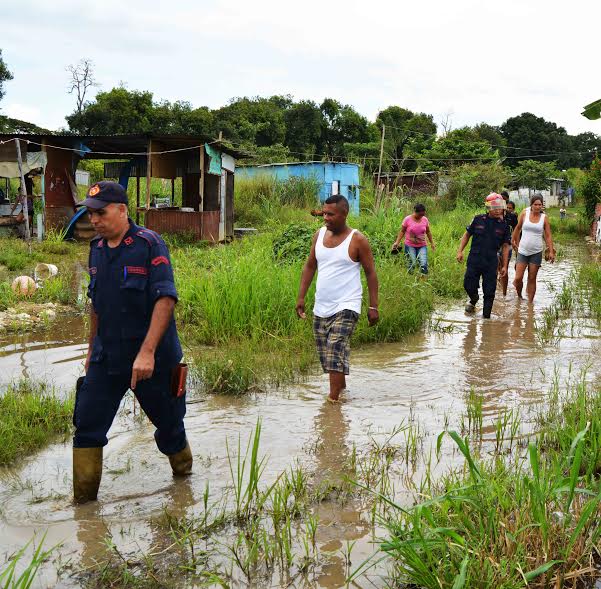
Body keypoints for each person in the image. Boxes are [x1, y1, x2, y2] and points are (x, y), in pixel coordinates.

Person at [72, 181, 192, 504]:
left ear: (122, 210)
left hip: (152, 361)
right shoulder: (96, 249)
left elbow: (165, 298)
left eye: (101, 213)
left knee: (170, 427)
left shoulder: (150, 244)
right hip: (107, 358)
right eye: (90, 213)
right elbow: (96, 305)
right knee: (86, 427)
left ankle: (185, 485)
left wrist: (148, 352)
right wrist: (89, 353)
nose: (94, 219)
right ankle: (84, 513)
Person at [296, 194, 379, 402]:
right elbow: (310, 266)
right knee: (328, 356)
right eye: (324, 213)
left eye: (330, 214)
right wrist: (301, 298)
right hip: (321, 306)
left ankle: (332, 404)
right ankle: (341, 391)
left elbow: (371, 273)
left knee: (335, 347)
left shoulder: (358, 240)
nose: (325, 217)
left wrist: (373, 306)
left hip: (347, 305)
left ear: (344, 214)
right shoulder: (319, 236)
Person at [456, 193, 510, 319]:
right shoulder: (478, 219)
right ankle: (474, 299)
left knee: (489, 291)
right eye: (494, 207)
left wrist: (505, 266)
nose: (498, 210)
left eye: (500, 207)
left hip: (491, 261)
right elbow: (467, 235)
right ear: (488, 207)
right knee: (468, 285)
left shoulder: (504, 226)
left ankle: (486, 320)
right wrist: (460, 251)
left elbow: (506, 246)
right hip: (475, 258)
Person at [512, 194, 555, 303]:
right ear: (531, 204)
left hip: (536, 252)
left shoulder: (544, 218)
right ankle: (519, 296)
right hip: (523, 251)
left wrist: (551, 251)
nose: (538, 207)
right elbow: (517, 228)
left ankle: (530, 304)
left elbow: (548, 235)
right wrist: (514, 241)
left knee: (532, 278)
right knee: (518, 278)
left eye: (540, 205)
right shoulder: (524, 213)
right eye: (535, 204)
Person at [391, 203, 435, 274]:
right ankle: (410, 279)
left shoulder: (425, 220)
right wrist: (397, 242)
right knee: (412, 264)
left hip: (422, 245)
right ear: (415, 211)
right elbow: (402, 231)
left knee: (423, 264)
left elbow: (428, 232)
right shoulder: (407, 219)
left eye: (423, 215)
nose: (421, 216)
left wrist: (432, 243)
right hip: (410, 245)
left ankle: (423, 280)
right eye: (420, 215)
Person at [498, 200, 519, 296]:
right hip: (496, 244)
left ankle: (504, 293)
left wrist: (516, 244)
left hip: (508, 244)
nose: (508, 209)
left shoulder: (513, 217)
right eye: (507, 207)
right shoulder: (495, 215)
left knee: (504, 266)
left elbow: (516, 230)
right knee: (497, 266)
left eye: (510, 208)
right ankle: (496, 288)